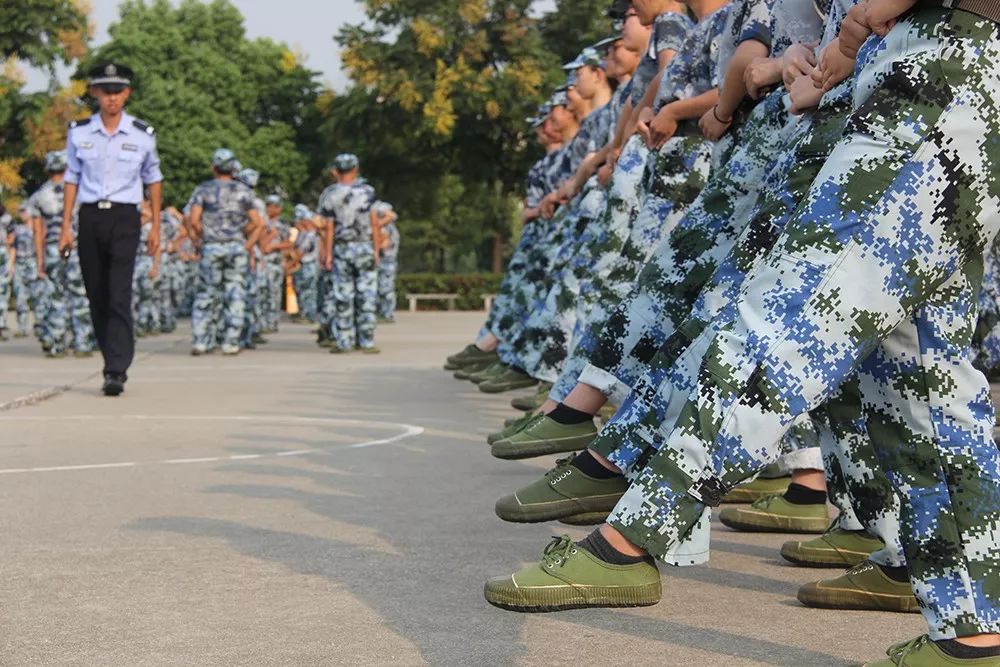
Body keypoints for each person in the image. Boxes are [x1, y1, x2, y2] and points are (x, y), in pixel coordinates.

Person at [61, 62, 162, 395]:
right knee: (97, 295)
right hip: (90, 217)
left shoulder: (141, 135)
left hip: (125, 218)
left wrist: (156, 228)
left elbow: (153, 180)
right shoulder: (79, 133)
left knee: (119, 293)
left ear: (127, 93)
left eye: (118, 91)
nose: (112, 98)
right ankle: (111, 357)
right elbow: (72, 178)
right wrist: (65, 226)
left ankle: (116, 369)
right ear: (95, 94)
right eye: (106, 92)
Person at [187, 149, 263, 356]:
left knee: (206, 293)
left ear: (213, 167)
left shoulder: (203, 189)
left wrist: (198, 239)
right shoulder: (244, 191)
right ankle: (231, 342)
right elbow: (257, 223)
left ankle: (201, 341)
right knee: (235, 293)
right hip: (236, 246)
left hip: (211, 246)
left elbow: (193, 220)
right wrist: (246, 244)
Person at [316, 153, 380, 354]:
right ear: (355, 170)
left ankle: (345, 340)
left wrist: (326, 253)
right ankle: (367, 340)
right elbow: (374, 222)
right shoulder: (368, 192)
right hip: (364, 246)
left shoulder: (329, 194)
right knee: (367, 294)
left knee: (343, 295)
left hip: (342, 248)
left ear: (335, 171)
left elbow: (327, 227)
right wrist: (376, 249)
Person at [371, 201, 399, 323]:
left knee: (385, 288)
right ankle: (381, 311)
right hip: (383, 260)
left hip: (386, 260)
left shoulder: (388, 228)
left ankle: (387, 313)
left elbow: (384, 245)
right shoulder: (385, 228)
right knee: (379, 288)